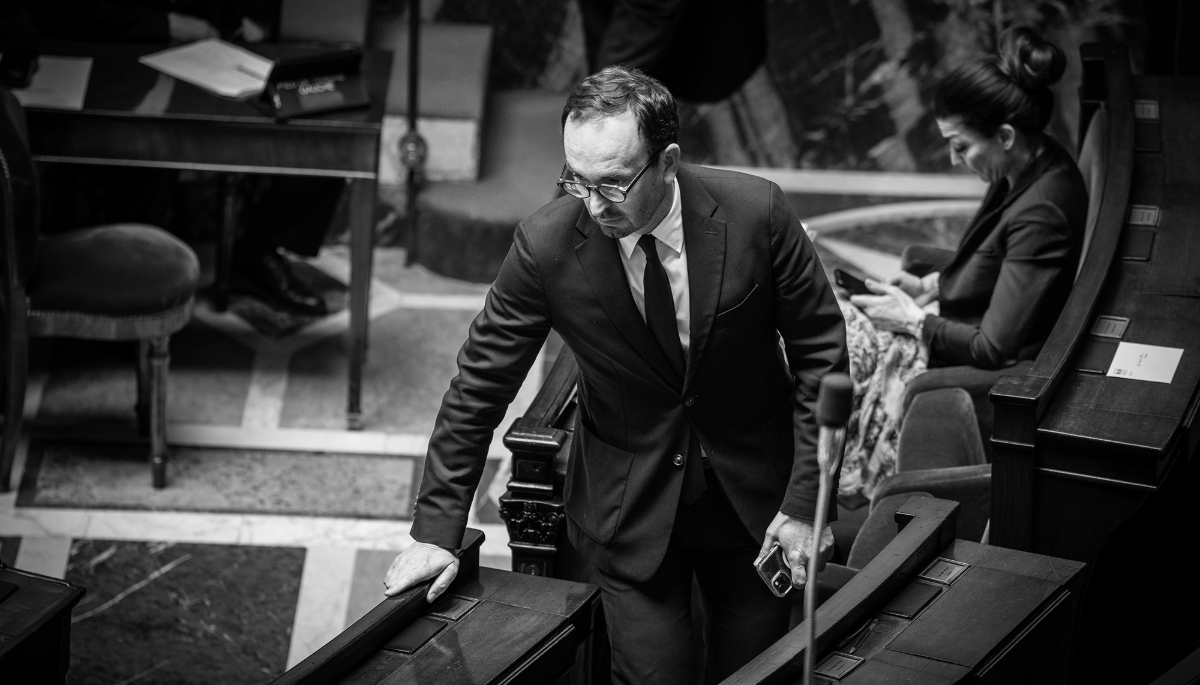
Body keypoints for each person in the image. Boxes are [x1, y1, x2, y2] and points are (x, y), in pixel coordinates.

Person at [383, 66, 847, 683]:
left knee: (757, 676)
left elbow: (822, 354)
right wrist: (438, 529)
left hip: (755, 504)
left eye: (612, 184)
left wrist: (805, 504)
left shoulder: (755, 211)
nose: (593, 204)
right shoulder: (546, 244)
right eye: (576, 179)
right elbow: (479, 385)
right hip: (630, 508)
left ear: (667, 161)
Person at [835, 26, 1087, 503]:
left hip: (963, 348)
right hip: (951, 316)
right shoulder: (1027, 165)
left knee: (829, 346)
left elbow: (993, 349)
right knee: (827, 324)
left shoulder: (1044, 211)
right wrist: (932, 283)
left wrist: (914, 321)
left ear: (1006, 135)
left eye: (961, 146)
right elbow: (999, 259)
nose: (954, 161)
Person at [28, 0, 338, 316]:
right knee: (148, 149)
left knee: (326, 123)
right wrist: (168, 25)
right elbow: (59, 12)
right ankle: (129, 298)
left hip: (218, 53)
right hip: (125, 56)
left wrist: (251, 18)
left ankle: (260, 251)